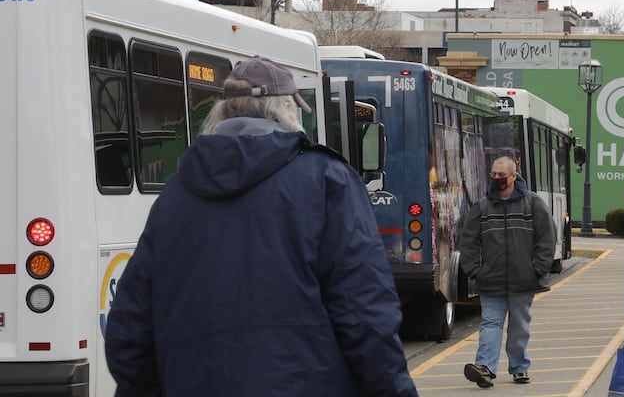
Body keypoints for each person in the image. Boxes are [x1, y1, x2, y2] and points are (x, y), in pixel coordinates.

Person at [104, 56, 417, 397]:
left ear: (223, 111)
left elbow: (129, 331)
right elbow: (365, 316)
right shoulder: (327, 181)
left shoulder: (175, 197)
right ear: (286, 108)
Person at [458, 155, 556, 388]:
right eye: (494, 174)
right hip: (490, 281)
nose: (497, 178)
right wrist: (475, 270)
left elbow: (547, 239)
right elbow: (468, 242)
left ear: (513, 176)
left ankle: (519, 367)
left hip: (523, 281)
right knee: (490, 323)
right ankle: (485, 368)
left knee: (518, 326)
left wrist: (537, 269)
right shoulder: (481, 207)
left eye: (502, 175)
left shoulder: (533, 204)